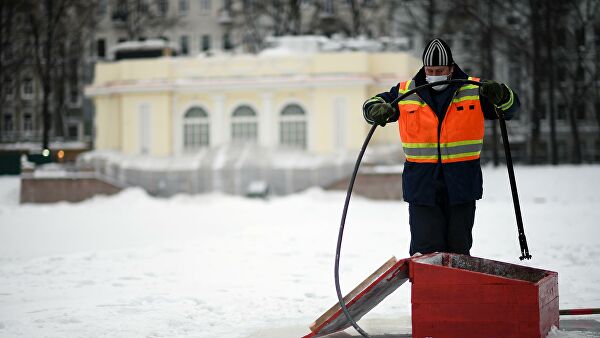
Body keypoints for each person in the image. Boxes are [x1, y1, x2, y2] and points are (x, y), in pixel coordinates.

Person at [362, 38, 520, 256]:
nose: (434, 74)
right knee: (425, 251)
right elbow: (370, 105)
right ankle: (428, 290)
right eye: (430, 70)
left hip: (461, 184)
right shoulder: (405, 92)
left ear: (451, 68)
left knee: (458, 249)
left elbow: (510, 109)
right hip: (422, 185)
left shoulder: (474, 89)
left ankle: (457, 290)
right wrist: (376, 110)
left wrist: (502, 94)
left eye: (440, 70)